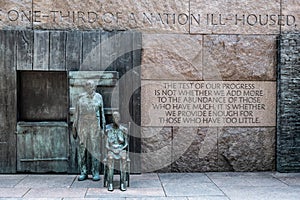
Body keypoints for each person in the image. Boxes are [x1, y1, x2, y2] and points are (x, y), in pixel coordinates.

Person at [73, 80, 106, 181]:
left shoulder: (98, 97)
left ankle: (95, 171)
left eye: (91, 86)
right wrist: (74, 125)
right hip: (82, 124)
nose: (89, 88)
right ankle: (83, 171)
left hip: (94, 125)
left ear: (94, 87)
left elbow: (102, 113)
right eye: (87, 86)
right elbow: (76, 113)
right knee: (82, 149)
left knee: (95, 148)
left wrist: (103, 127)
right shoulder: (80, 97)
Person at [105, 111, 128, 191]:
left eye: (117, 117)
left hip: (121, 149)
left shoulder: (123, 130)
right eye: (114, 117)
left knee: (124, 158)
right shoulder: (108, 130)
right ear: (112, 119)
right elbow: (107, 145)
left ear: (120, 118)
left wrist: (120, 149)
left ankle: (122, 182)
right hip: (112, 149)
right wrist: (112, 149)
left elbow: (126, 144)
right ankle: (110, 182)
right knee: (110, 158)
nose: (116, 119)